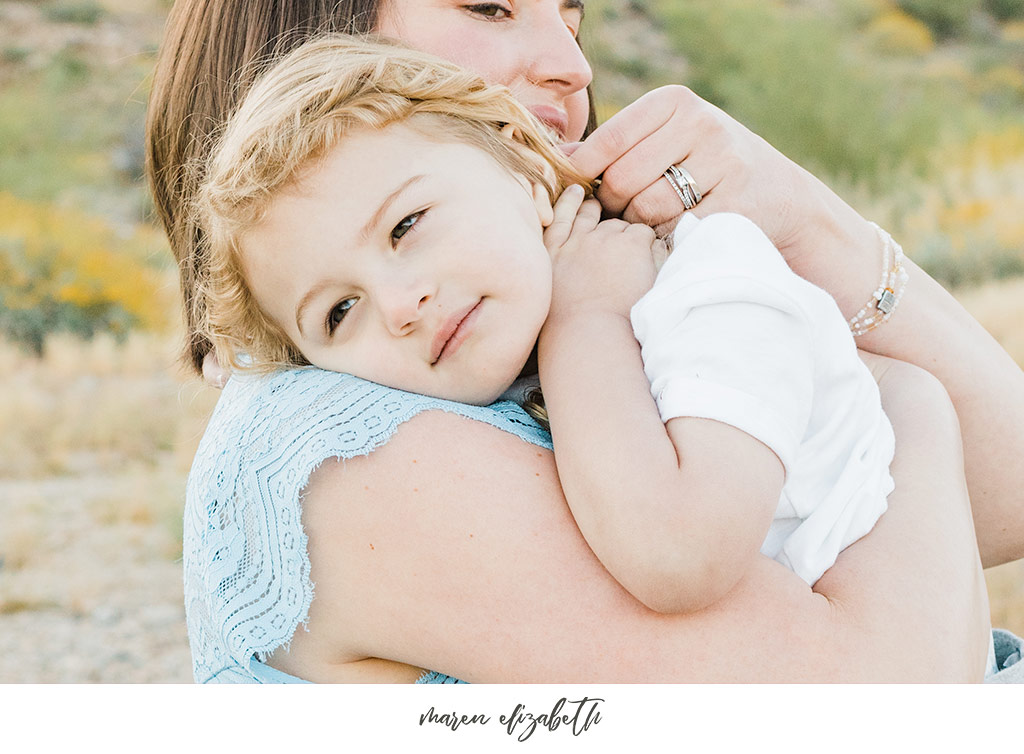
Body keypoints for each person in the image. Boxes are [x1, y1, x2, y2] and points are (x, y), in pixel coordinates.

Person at [144, 0, 1021, 683]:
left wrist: (808, 221)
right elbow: (886, 697)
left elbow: (1001, 498)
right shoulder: (338, 443)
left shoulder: (548, 335)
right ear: (313, 35)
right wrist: (908, 402)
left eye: (573, 16)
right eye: (489, 7)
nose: (574, 66)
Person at [196, 36, 899, 621]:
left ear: (526, 171)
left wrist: (582, 318)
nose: (399, 305)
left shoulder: (715, 282)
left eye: (406, 226)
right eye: (338, 312)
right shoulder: (463, 411)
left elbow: (681, 556)